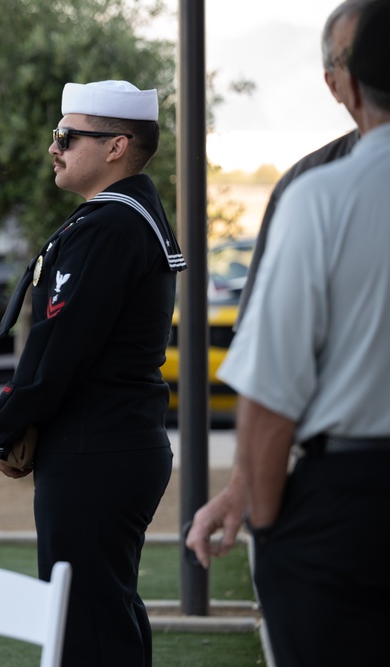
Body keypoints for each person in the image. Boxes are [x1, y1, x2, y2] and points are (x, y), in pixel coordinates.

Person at [194, 2, 390, 664]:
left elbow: (271, 396)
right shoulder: (313, 186)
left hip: (352, 505)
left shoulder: (322, 196)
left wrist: (271, 527)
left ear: (350, 84)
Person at [0, 80, 185, 667]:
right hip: (111, 442)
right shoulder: (123, 217)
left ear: (117, 146)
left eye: (68, 136)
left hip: (95, 447)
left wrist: (4, 425)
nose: (56, 147)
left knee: (85, 627)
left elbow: (59, 348)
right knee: (104, 614)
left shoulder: (110, 226)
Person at [235, 0, 373, 329]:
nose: (376, 66)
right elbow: (262, 333)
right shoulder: (302, 186)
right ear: (334, 83)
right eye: (358, 56)